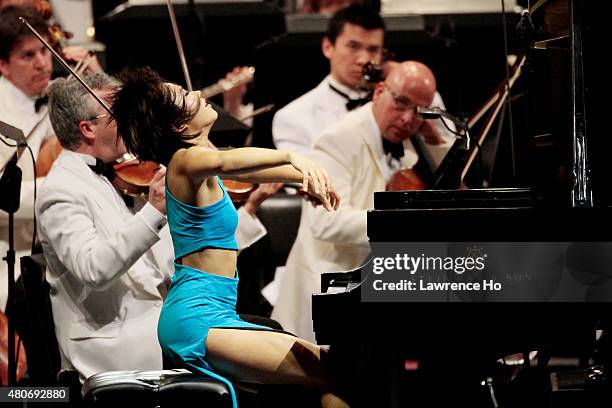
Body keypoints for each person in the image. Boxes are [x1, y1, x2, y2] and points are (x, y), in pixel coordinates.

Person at [111, 66, 344, 408]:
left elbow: (251, 168)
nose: (200, 94)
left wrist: (304, 174)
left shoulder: (197, 165)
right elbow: (227, 161)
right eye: (187, 97)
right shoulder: (183, 162)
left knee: (329, 378)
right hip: (196, 319)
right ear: (178, 126)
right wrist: (294, 156)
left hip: (215, 312)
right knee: (332, 371)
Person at [35, 72, 288, 383]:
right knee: (275, 364)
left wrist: (244, 210)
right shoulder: (60, 191)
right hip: (121, 344)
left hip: (168, 319)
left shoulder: (122, 176)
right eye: (118, 113)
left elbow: (178, 256)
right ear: (87, 128)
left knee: (275, 343)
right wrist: (153, 211)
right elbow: (93, 269)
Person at [272, 61, 455, 341]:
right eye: (402, 103)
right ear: (379, 91)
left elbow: (451, 186)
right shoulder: (336, 140)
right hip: (331, 289)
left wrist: (433, 136)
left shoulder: (411, 140)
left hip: (379, 287)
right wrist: (395, 224)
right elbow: (325, 221)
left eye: (419, 111)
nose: (408, 119)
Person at [0, 5, 101, 312]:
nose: (43, 63)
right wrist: (64, 187)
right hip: (10, 259)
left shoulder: (57, 100)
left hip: (61, 252)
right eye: (28, 56)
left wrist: (97, 79)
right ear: (3, 65)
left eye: (45, 51)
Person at [271, 4, 385, 155]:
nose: (364, 60)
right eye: (353, 46)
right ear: (328, 47)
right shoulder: (293, 118)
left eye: (373, 50)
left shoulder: (397, 106)